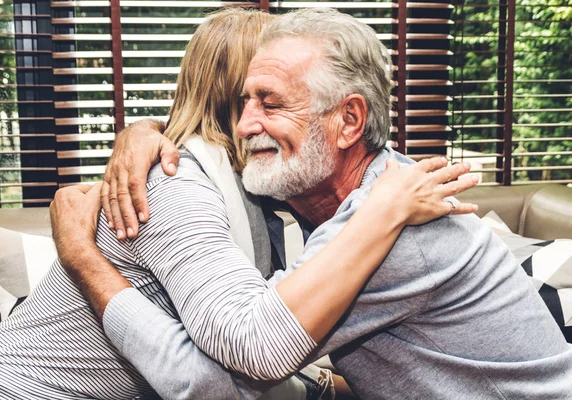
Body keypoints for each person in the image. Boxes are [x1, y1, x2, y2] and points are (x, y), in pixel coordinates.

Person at [57, 8, 572, 400]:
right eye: (242, 102)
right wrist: (143, 131)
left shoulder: (398, 226)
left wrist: (83, 256)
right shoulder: (335, 199)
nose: (244, 125)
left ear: (348, 121)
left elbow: (232, 364)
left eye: (272, 102)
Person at [0, 9, 477, 400]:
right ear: (236, 97)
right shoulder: (175, 181)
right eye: (263, 92)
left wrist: (141, 129)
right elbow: (216, 379)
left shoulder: (258, 187)